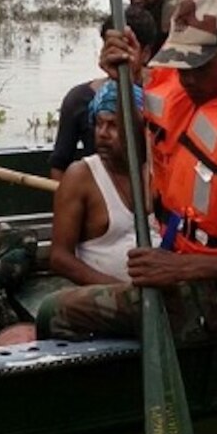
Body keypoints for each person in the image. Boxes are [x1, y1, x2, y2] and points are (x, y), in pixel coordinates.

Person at [36, 0, 217, 344]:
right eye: (180, 64)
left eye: (200, 66)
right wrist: (122, 74)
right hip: (180, 269)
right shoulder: (186, 97)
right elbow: (141, 139)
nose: (187, 78)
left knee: (55, 312)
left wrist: (183, 269)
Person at [50, 85, 144, 285]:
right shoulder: (81, 176)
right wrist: (124, 292)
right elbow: (60, 258)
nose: (102, 134)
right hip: (106, 295)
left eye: (113, 126)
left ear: (139, 129)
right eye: (99, 124)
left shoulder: (158, 171)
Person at [49, 6, 156, 180]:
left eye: (126, 47)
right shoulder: (79, 99)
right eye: (111, 46)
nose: (116, 54)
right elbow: (59, 166)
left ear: (145, 53)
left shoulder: (161, 99)